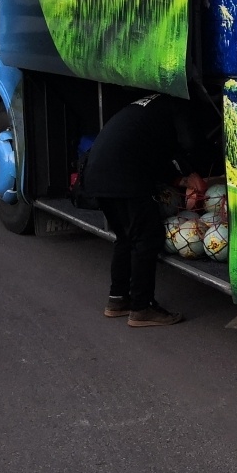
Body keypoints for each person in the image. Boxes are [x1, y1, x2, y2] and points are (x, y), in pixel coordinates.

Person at [79, 93, 216, 328]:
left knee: (125, 237)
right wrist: (196, 167)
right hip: (123, 175)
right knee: (147, 237)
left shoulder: (151, 105)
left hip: (96, 174)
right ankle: (142, 308)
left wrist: (181, 178)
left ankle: (118, 300)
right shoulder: (179, 105)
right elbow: (191, 143)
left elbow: (151, 149)